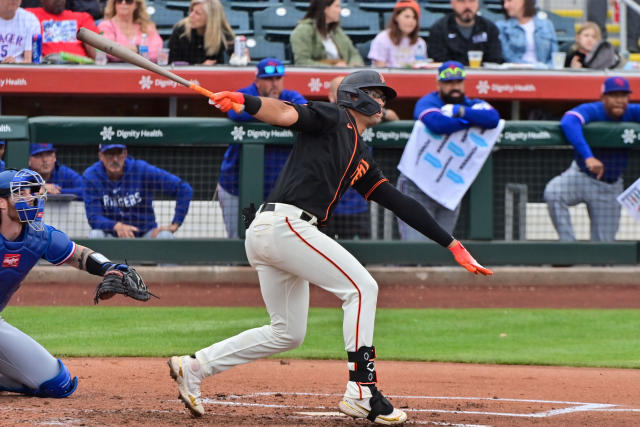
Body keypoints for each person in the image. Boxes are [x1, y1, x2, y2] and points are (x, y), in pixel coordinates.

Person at [168, 70, 493, 424]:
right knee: (362, 288)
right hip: (285, 226)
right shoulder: (335, 116)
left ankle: (196, 367)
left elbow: (397, 201)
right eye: (377, 94)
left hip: (273, 230)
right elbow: (286, 113)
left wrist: (452, 244)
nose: (383, 101)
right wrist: (247, 102)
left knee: (287, 333)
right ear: (356, 96)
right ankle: (362, 391)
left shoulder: (360, 152)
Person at [0, 168, 147, 399]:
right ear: (1, 203)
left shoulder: (38, 235)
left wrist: (110, 268)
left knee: (57, 384)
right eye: (21, 193)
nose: (31, 198)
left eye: (31, 192)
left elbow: (77, 254)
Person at [398, 61, 500, 238]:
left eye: (458, 82)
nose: (454, 87)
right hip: (417, 183)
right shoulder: (429, 100)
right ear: (439, 84)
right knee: (415, 249)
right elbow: (437, 123)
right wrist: (470, 122)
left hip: (449, 186)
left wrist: (459, 111)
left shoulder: (471, 103)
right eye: (449, 82)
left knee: (441, 249)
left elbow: (492, 118)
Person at [218, 58, 307, 238]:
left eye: (278, 78)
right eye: (268, 79)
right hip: (238, 189)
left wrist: (262, 111)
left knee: (272, 243)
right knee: (243, 238)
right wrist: (280, 114)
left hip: (277, 193)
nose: (274, 83)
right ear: (257, 80)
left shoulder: (290, 95)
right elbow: (235, 111)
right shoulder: (245, 93)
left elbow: (305, 111)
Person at [544, 76, 640, 242]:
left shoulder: (632, 112)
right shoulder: (595, 110)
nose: (619, 100)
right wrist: (588, 157)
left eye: (623, 95)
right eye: (613, 95)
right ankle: (568, 244)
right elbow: (569, 121)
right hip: (581, 176)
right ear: (603, 97)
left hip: (610, 186)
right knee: (554, 192)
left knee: (604, 251)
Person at [324, 75, 398, 240]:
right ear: (331, 97)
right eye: (340, 93)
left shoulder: (365, 117)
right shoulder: (325, 118)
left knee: (359, 257)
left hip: (355, 204)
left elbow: (393, 116)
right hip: (327, 205)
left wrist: (375, 108)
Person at [83, 143, 193, 238]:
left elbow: (184, 189)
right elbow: (94, 217)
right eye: (110, 154)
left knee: (166, 236)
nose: (115, 159)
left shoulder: (141, 169)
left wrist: (174, 225)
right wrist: (116, 226)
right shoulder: (91, 176)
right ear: (101, 156)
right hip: (112, 236)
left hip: (145, 235)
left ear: (125, 154)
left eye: (119, 153)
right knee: (95, 235)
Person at [289, 0, 364, 67]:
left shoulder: (337, 30)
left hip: (343, 75)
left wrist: (352, 66)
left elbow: (354, 54)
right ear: (325, 8)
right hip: (317, 79)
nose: (340, 10)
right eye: (337, 6)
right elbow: (302, 62)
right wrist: (332, 68)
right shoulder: (302, 31)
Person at [427, 0, 503, 65]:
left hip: (482, 79)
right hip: (450, 79)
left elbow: (495, 62)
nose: (467, 6)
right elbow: (437, 63)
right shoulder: (440, 29)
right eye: (461, 1)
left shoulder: (489, 28)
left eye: (471, 1)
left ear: (478, 3)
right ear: (452, 3)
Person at [168, 0, 234, 65]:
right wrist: (200, 68)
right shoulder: (180, 31)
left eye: (197, 13)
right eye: (192, 11)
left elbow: (235, 60)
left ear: (210, 17)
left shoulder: (223, 35)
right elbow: (173, 64)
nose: (191, 15)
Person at [27, 0, 99, 59]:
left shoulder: (83, 17)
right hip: (48, 67)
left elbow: (97, 54)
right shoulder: (29, 15)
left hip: (80, 67)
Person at [496, 0, 558, 67]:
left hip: (544, 73)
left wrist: (546, 68)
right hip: (516, 73)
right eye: (504, 2)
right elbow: (508, 56)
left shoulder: (546, 25)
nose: (506, 6)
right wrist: (532, 67)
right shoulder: (502, 27)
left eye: (510, 1)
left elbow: (555, 55)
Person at [98, 0, 163, 63]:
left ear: (136, 5)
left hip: (143, 70)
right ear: (114, 4)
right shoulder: (106, 25)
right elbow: (109, 50)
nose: (123, 3)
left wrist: (137, 49)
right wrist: (140, 51)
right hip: (115, 70)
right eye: (119, 1)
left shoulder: (147, 26)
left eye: (129, 1)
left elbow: (157, 51)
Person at [367, 0, 427, 68]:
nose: (411, 21)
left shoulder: (420, 43)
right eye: (407, 16)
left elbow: (422, 68)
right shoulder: (382, 39)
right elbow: (380, 70)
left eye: (414, 18)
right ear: (396, 17)